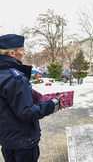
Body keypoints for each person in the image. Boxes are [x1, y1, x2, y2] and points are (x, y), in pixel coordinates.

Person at [0, 34, 64, 162]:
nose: (24, 53)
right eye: (22, 50)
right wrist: (54, 104)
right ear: (12, 53)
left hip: (6, 139)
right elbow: (27, 112)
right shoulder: (16, 78)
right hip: (23, 141)